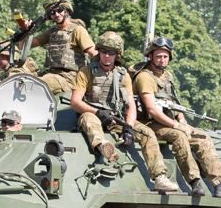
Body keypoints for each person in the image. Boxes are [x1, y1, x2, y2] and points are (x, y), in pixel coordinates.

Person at [134, 36, 221, 199]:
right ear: (150, 56)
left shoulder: (167, 76)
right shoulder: (145, 77)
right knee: (179, 136)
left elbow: (174, 103)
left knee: (202, 137)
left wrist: (182, 121)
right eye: (158, 56)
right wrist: (177, 126)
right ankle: (195, 182)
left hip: (168, 121)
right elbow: (152, 109)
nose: (162, 60)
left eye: (165, 56)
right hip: (150, 123)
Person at [70, 32, 179, 194]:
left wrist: (128, 127)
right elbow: (75, 102)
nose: (107, 56)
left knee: (147, 133)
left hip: (116, 119)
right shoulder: (86, 72)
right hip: (92, 114)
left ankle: (159, 177)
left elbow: (130, 105)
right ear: (98, 51)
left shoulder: (123, 75)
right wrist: (98, 112)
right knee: (88, 119)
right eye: (104, 51)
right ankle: (102, 146)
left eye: (111, 52)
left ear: (117, 54)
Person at [24, 0, 97, 95]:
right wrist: (26, 31)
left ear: (66, 10)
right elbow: (26, 45)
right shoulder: (52, 32)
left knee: (38, 85)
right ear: (49, 16)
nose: (57, 14)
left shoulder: (77, 30)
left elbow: (93, 53)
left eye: (60, 10)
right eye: (52, 13)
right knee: (24, 81)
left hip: (69, 78)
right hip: (51, 75)